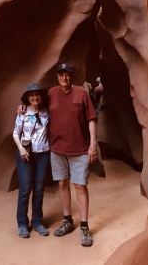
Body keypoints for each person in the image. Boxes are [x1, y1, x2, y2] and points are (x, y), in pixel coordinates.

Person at [49, 63, 98, 247]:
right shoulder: (51, 93)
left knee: (80, 186)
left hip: (79, 150)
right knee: (62, 183)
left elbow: (91, 119)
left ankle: (84, 227)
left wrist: (93, 144)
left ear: (71, 76)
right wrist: (21, 108)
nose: (64, 78)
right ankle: (67, 220)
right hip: (57, 149)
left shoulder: (81, 93)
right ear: (57, 77)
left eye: (67, 75)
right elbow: (35, 105)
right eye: (61, 75)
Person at [13, 83, 50, 239]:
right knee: (25, 189)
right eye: (31, 95)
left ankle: (37, 221)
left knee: (39, 189)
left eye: (37, 94)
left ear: (41, 97)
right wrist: (21, 149)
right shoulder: (22, 112)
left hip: (42, 153)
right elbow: (15, 134)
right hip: (25, 155)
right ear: (27, 98)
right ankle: (22, 224)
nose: (35, 97)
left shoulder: (46, 112)